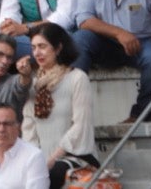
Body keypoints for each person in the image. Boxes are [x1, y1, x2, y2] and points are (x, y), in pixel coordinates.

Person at [18, 24, 95, 189]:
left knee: (50, 175)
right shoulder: (34, 84)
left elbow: (80, 127)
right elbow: (29, 129)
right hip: (45, 161)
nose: (37, 52)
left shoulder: (77, 78)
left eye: (42, 46)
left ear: (58, 48)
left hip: (76, 158)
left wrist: (51, 160)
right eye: (33, 47)